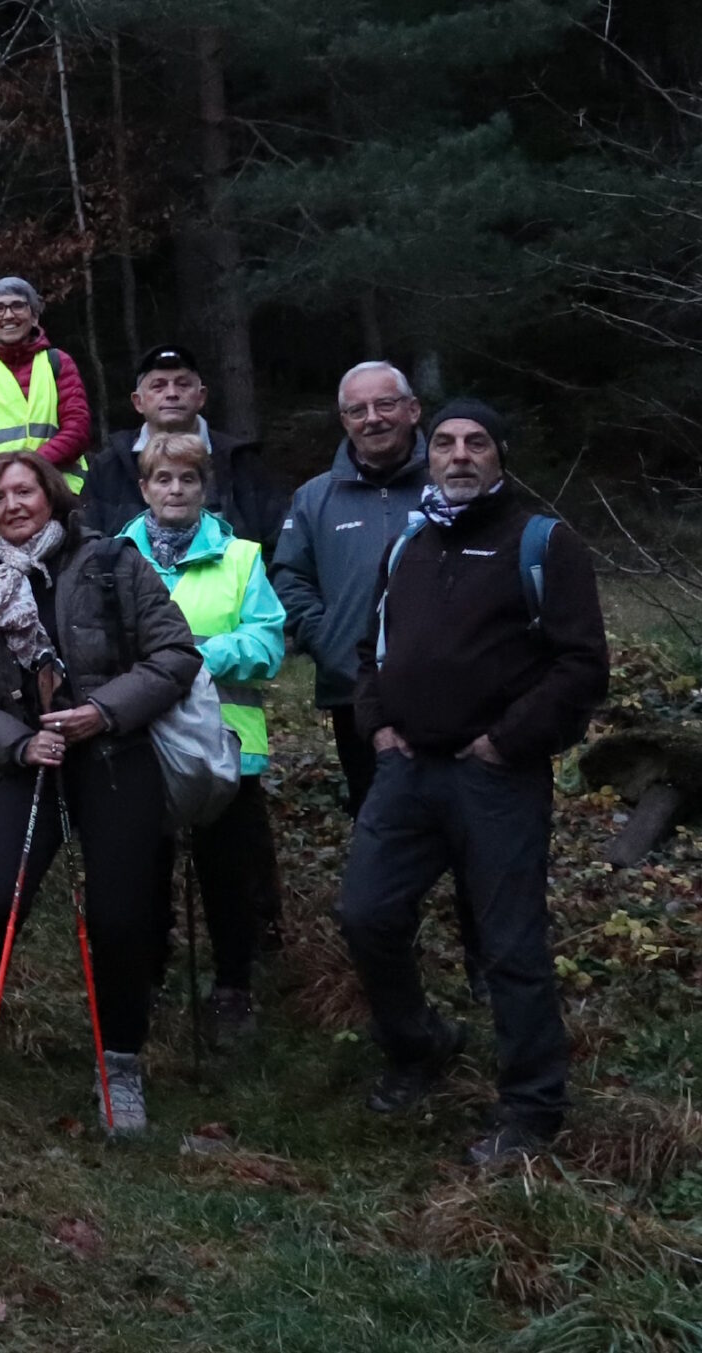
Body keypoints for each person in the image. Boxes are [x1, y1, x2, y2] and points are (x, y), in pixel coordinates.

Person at [337, 400, 608, 1168]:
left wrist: (504, 741)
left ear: (501, 455)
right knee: (365, 913)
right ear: (431, 455)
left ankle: (531, 1107)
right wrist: (377, 722)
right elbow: (370, 647)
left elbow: (581, 664)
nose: (459, 455)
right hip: (408, 769)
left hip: (496, 777)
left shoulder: (542, 542)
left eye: (477, 443)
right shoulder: (410, 544)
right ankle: (420, 1045)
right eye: (447, 443)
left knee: (510, 944)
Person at [0, 451, 201, 1136]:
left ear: (53, 495)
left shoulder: (112, 561)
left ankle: (120, 1064)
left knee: (119, 918)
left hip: (114, 754)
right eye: (0, 495)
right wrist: (14, 742)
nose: (14, 504)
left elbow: (175, 655)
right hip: (28, 761)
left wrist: (103, 710)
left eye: (26, 490)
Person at [122, 433, 286, 1041]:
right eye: (162, 479)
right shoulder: (115, 557)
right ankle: (150, 976)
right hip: (142, 739)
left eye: (187, 479)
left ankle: (233, 986)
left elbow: (269, 645)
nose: (175, 490)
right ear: (144, 488)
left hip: (228, 744)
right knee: (146, 869)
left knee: (227, 873)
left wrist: (189, 655)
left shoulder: (242, 556)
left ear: (204, 487)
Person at [269, 361, 431, 814]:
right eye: (357, 410)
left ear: (413, 410)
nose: (372, 418)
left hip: (448, 688)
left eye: (385, 404)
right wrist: (330, 643)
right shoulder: (314, 498)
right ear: (344, 421)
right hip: (355, 692)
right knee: (377, 816)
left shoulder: (448, 484)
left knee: (456, 823)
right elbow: (290, 579)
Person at [77, 345, 288, 548]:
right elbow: (86, 547)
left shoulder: (243, 463)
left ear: (201, 397)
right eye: (158, 386)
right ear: (138, 402)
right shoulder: (108, 468)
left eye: (183, 384)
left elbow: (279, 546)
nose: (172, 393)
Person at [0, 277, 92, 499]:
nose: (8, 315)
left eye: (18, 305)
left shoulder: (58, 362)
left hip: (60, 493)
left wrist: (29, 467)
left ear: (34, 316)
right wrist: (3, 474)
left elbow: (77, 429)